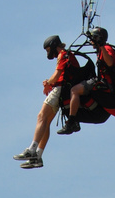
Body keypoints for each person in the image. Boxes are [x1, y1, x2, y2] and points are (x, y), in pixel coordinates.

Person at [13, 35, 80, 169]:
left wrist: (48, 83)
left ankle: (32, 149)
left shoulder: (63, 55)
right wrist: (50, 82)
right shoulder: (68, 55)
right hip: (64, 90)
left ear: (55, 46)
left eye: (49, 49)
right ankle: (38, 156)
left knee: (41, 117)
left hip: (60, 89)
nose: (49, 53)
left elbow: (57, 75)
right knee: (46, 122)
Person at [58, 25, 115, 135]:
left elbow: (110, 63)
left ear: (98, 38)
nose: (90, 42)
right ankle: (74, 119)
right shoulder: (100, 50)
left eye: (92, 39)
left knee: (75, 90)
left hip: (105, 84)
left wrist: (102, 46)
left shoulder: (107, 48)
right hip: (101, 82)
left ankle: (71, 121)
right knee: (77, 88)